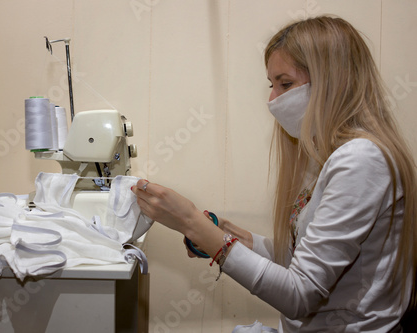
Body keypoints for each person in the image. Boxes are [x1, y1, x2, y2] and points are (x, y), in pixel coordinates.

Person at [132, 16, 417, 332]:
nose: (272, 100)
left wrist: (192, 223)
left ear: (333, 80)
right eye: (272, 85)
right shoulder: (328, 157)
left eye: (286, 84)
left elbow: (300, 294)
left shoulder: (361, 161)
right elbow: (301, 257)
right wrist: (231, 234)